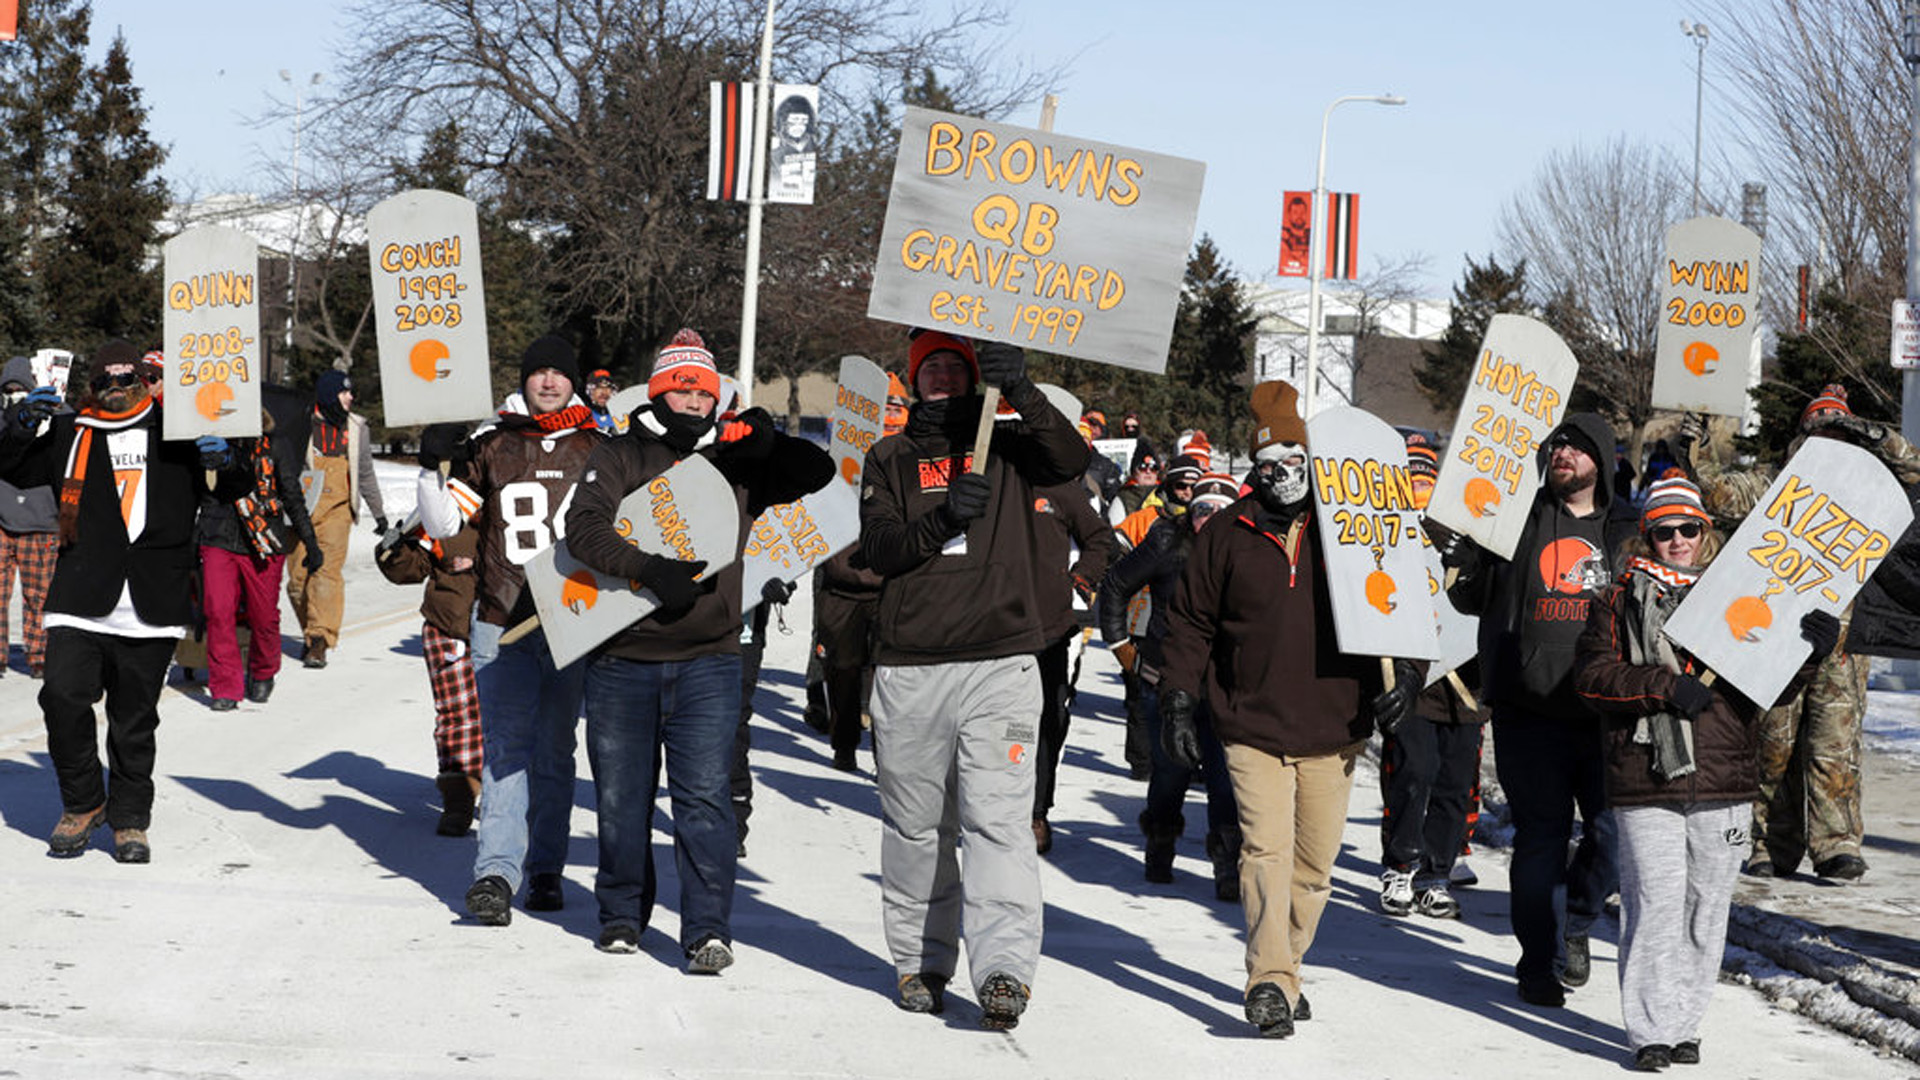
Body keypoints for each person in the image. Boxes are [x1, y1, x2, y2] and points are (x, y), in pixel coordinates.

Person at [564, 328, 832, 968]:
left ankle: (707, 929)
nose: (691, 398)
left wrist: (767, 442)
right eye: (680, 386)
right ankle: (622, 914)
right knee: (620, 800)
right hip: (621, 657)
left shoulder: (734, 458)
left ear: (716, 398)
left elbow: (815, 473)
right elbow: (582, 527)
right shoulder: (621, 451)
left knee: (705, 800)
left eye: (702, 389)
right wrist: (646, 568)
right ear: (659, 391)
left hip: (712, 658)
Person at [1157, 381, 1416, 1038]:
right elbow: (1189, 622)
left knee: (1313, 867)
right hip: (1250, 722)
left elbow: (1405, 602)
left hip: (1336, 724)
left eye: (1294, 463)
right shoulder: (1226, 533)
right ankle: (1269, 979)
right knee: (1263, 852)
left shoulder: (1354, 529)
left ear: (1311, 462)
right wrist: (1180, 698)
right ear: (1255, 470)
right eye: (1269, 465)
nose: (1282, 476)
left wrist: (1407, 676)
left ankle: (1287, 966)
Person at [860, 328, 1086, 1028]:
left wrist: (1021, 388)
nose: (945, 380)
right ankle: (921, 961)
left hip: (1003, 662)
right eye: (932, 369)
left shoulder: (1013, 445)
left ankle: (1004, 971)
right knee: (917, 827)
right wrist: (941, 519)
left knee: (999, 824)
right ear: (912, 380)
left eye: (958, 367)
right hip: (912, 665)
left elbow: (1071, 459)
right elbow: (880, 549)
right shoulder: (889, 456)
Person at [1573, 477, 1838, 1072]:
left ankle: (1685, 1024)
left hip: (1723, 782)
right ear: (1647, 537)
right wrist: (1663, 686)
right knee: (1655, 904)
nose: (1677, 541)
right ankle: (1649, 1032)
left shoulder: (1740, 595)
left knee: (1705, 907)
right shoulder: (1615, 600)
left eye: (1688, 529)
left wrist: (1809, 655)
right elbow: (1592, 679)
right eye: (1663, 531)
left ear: (1705, 533)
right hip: (1647, 780)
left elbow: (1769, 686)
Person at [0, 339, 238, 863]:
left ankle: (130, 819)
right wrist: (20, 424)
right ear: (92, 386)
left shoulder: (178, 433)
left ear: (144, 382)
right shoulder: (70, 431)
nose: (114, 390)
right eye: (105, 382)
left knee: (134, 720)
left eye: (125, 381)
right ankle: (83, 803)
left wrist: (226, 457)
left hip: (152, 600)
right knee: (61, 697)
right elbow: (13, 467)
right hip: (82, 593)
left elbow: (230, 487)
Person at [1444, 411, 1636, 1006]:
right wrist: (1465, 560)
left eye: (1578, 449)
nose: (1563, 456)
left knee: (1611, 836)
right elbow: (1470, 597)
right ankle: (1537, 961)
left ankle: (1576, 921)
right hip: (1529, 712)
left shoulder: (1628, 527)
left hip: (1608, 714)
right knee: (1539, 841)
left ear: (1601, 462)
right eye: (1557, 447)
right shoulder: (1519, 521)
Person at [1689, 387, 1920, 882]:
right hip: (1775, 629)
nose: (1832, 434)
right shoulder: (1779, 481)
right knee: (1775, 741)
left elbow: (1914, 469)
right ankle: (1769, 843)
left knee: (1834, 742)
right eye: (1821, 426)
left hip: (1843, 636)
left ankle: (1837, 845)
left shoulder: (1871, 487)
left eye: (1841, 427)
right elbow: (1720, 495)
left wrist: (1871, 433)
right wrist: (1701, 448)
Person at [417, 335, 602, 925]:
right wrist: (429, 465)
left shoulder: (600, 447)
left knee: (554, 751)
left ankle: (546, 867)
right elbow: (446, 523)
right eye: (537, 372)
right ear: (522, 380)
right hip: (502, 618)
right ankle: (496, 872)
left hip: (573, 620)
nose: (547, 382)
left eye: (558, 373)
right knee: (504, 752)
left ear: (574, 381)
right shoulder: (493, 444)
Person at [1100, 471, 1242, 899]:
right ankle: (1160, 844)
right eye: (1201, 509)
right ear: (1189, 512)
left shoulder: (1248, 550)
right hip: (1165, 677)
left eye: (1219, 511)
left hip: (1224, 685)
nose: (1209, 519)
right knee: (1169, 774)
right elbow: (1115, 585)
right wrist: (1123, 647)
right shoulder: (1166, 541)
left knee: (1225, 779)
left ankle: (1226, 863)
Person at [1377, 434, 1483, 919]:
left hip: (1467, 685)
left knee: (1454, 783)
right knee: (1414, 773)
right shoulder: (1391, 540)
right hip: (1413, 681)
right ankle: (1400, 864)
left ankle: (1437, 874)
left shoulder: (1472, 542)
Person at [374, 443, 484, 837]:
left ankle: (507, 797)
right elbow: (411, 568)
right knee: (458, 717)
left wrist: (482, 562)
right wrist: (393, 549)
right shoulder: (446, 503)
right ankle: (458, 798)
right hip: (448, 623)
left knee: (509, 719)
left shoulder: (519, 499)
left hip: (508, 625)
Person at [194, 408, 323, 710]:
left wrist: (310, 541)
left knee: (263, 614)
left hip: (264, 539)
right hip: (218, 534)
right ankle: (226, 685)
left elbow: (292, 494)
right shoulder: (208, 443)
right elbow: (196, 491)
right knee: (218, 610)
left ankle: (264, 670)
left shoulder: (275, 444)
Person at [1028, 472, 1113, 855]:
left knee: (1049, 718)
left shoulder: (1060, 490)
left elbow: (1100, 539)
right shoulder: (988, 477)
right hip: (991, 624)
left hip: (1053, 626)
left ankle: (1036, 811)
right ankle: (983, 808)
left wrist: (1082, 580)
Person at [285, 368, 387, 669]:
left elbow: (365, 473)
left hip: (338, 510)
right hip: (301, 509)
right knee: (297, 580)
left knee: (326, 573)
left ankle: (320, 639)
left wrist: (379, 514)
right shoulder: (302, 423)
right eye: (344, 392)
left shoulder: (356, 428)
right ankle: (310, 631)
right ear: (329, 395)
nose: (350, 397)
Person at [0, 355, 59, 678]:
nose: (14, 396)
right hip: (3, 517)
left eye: (20, 389)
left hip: (41, 517)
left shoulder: (58, 416)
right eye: (8, 390)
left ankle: (40, 655)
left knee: (39, 594)